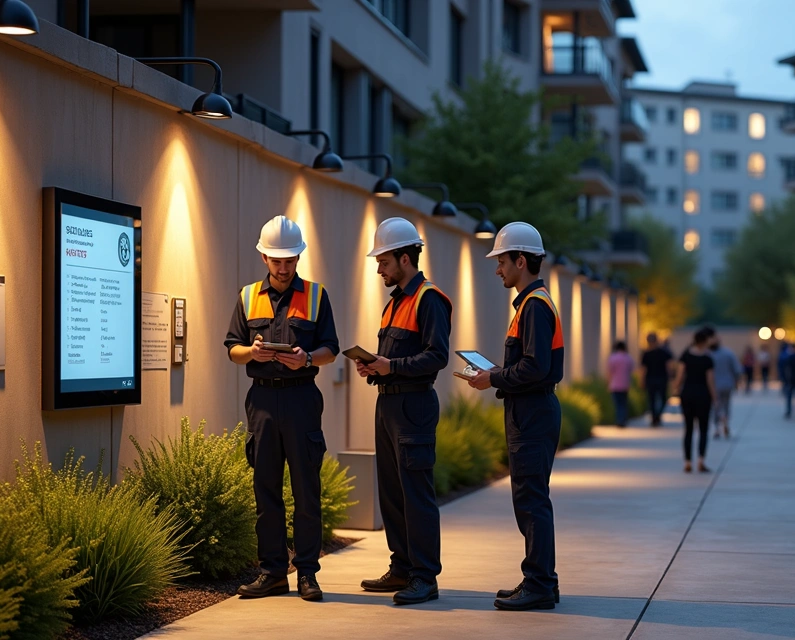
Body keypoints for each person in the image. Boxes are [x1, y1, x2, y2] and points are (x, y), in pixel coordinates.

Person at [224, 215, 339, 602]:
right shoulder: (246, 296)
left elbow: (330, 350)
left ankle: (307, 572)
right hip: (262, 401)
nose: (284, 267)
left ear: (298, 257)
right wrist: (251, 352)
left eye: (290, 260)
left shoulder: (317, 296)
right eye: (277, 260)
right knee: (266, 489)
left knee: (307, 490)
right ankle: (273, 572)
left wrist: (307, 359)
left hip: (302, 399)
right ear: (263, 256)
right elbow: (232, 349)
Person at [355, 218, 452, 606]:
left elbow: (437, 356)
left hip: (413, 405)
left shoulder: (430, 299)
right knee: (393, 491)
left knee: (416, 494)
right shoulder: (395, 301)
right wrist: (374, 368)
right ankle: (402, 567)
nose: (379, 268)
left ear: (405, 257)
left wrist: (390, 367)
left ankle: (425, 577)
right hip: (388, 403)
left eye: (384, 260)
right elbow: (392, 357)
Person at [467, 222, 564, 611]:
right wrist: (497, 376)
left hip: (532, 412)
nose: (497, 270)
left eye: (502, 261)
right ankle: (538, 580)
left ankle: (540, 583)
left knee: (531, 499)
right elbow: (532, 366)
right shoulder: (531, 304)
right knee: (529, 498)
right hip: (530, 410)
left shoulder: (534, 306)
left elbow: (536, 368)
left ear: (520, 261)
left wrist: (492, 377)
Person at [674, 328, 716, 473]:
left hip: (688, 394)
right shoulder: (708, 358)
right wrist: (715, 398)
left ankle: (687, 462)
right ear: (705, 342)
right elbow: (710, 380)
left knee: (688, 429)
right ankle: (701, 460)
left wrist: (675, 389)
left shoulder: (686, 355)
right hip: (703, 396)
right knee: (703, 429)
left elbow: (679, 376)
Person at [707, 334, 742, 439]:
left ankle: (717, 427)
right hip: (727, 384)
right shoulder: (728, 353)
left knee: (715, 406)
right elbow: (737, 369)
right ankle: (725, 422)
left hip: (713, 385)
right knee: (726, 405)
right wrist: (737, 382)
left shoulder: (708, 355)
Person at [640, 333, 672, 426]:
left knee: (652, 399)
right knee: (662, 398)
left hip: (651, 379)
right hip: (661, 378)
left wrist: (642, 381)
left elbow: (643, 369)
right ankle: (657, 416)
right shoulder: (664, 352)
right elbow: (669, 366)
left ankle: (655, 416)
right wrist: (670, 378)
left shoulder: (646, 354)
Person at [607, 341, 633, 427]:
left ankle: (619, 420)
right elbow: (630, 371)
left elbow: (610, 372)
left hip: (615, 385)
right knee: (623, 403)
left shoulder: (613, 358)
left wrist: (608, 383)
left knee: (617, 404)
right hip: (625, 384)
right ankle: (623, 419)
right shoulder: (628, 358)